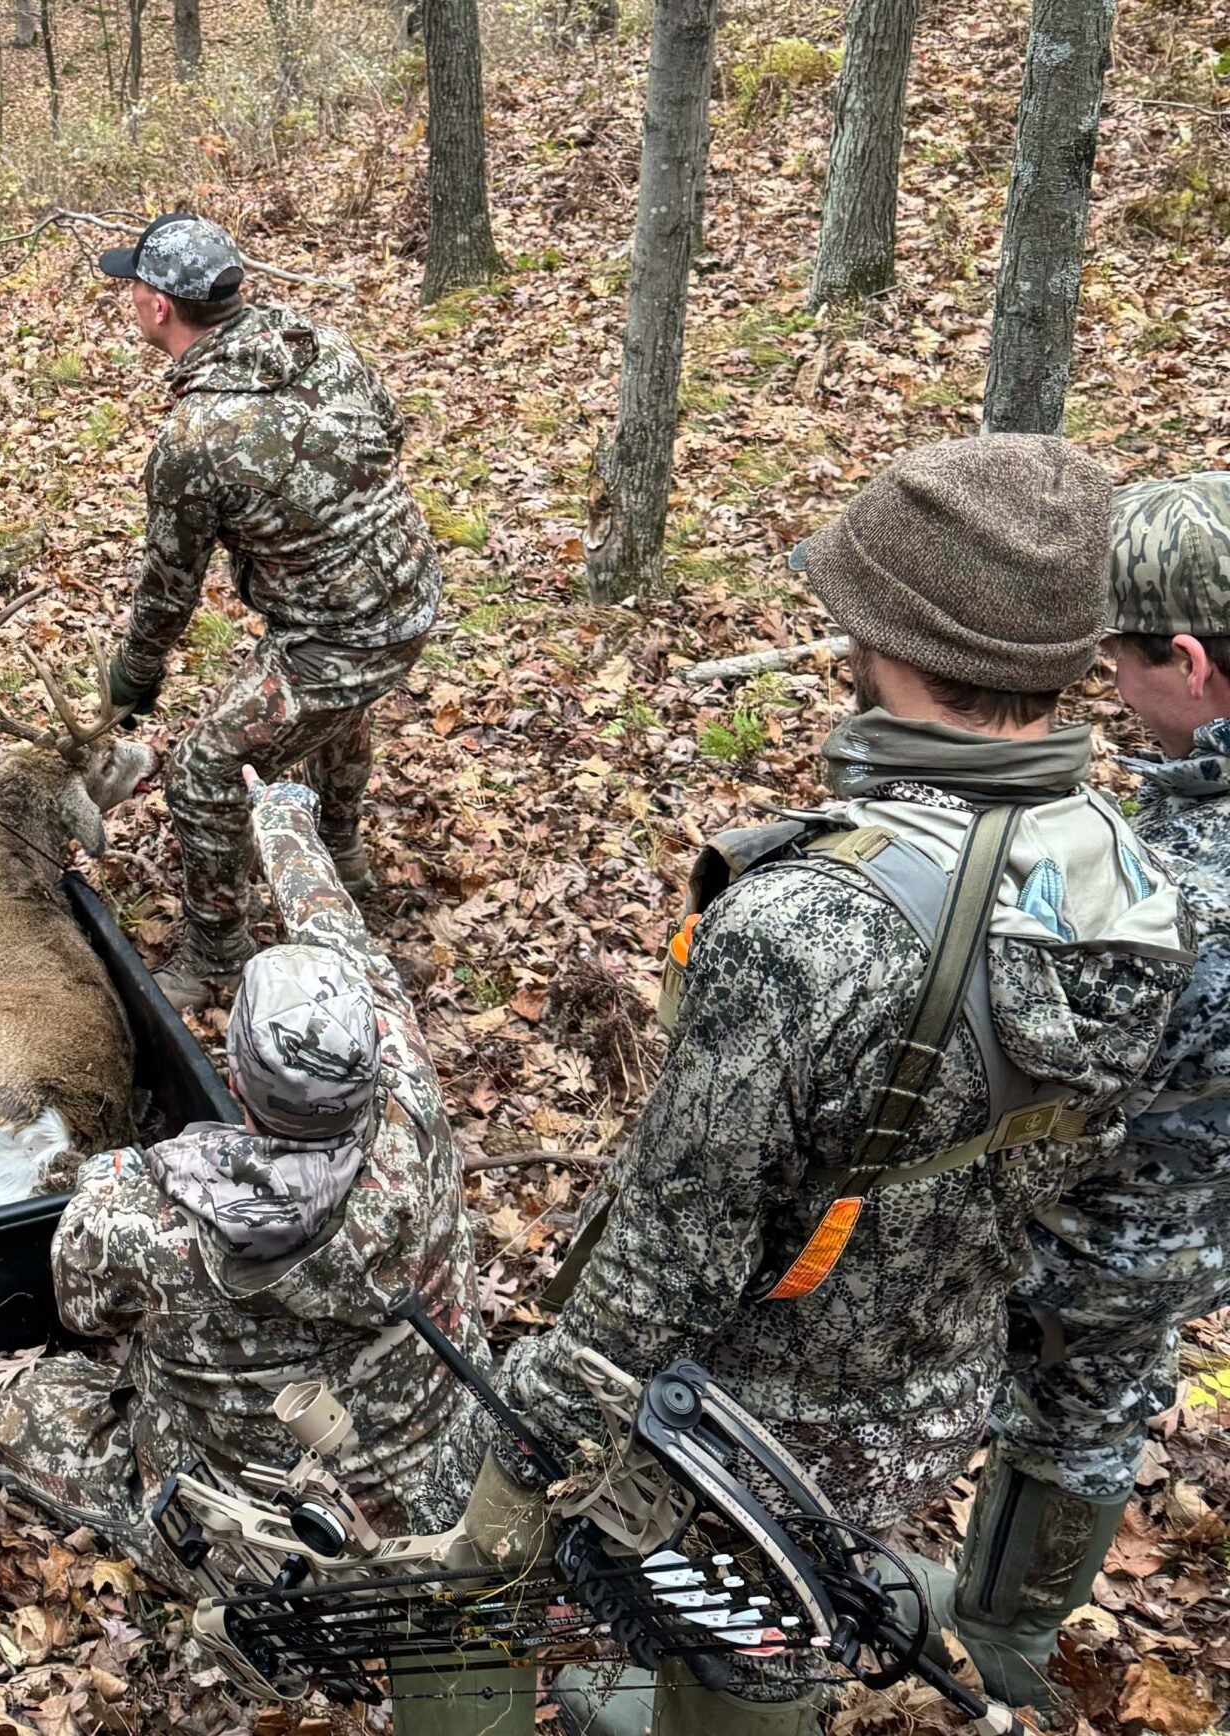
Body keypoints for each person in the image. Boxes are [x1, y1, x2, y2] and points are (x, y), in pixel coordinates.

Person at [467, 436, 1192, 1736]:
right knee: (783, 1606)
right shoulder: (1129, 871)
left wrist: (516, 1478)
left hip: (743, 1434)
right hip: (932, 1393)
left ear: (895, 642)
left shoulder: (802, 927)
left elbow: (665, 1268)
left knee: (737, 1660)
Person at [0, 775, 503, 1730]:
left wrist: (119, 1184)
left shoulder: (154, 1220)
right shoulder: (411, 1097)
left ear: (234, 1077)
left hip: (277, 1539)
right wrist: (284, 817)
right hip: (453, 1476)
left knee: (13, 1404)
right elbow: (339, 931)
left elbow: (82, 1307)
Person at [917, 474, 1230, 1707]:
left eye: (1122, 664)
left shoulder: (1177, 899)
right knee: (1094, 1408)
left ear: (1192, 660)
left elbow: (1011, 1059)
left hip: (1089, 1233)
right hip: (1189, 1227)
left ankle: (965, 1642)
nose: (1112, 688)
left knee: (1050, 1399)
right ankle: (1007, 1620)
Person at [92, 211, 443, 1011]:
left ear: (156, 307)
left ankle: (218, 955)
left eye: (132, 288)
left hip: (340, 634)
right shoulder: (316, 342)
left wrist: (133, 675)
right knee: (338, 718)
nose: (129, 301)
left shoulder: (196, 440)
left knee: (202, 770)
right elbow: (388, 433)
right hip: (409, 592)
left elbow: (169, 589)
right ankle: (344, 859)